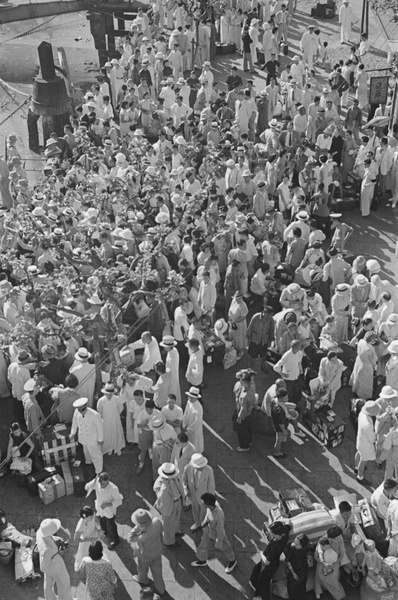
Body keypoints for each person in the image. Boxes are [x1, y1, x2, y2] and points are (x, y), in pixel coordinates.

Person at [191, 492, 237, 574]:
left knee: (226, 547)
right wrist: (205, 522)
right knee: (203, 546)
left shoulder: (218, 516)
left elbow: (220, 530)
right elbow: (208, 515)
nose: (202, 504)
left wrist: (218, 542)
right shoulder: (211, 506)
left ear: (208, 505)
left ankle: (233, 561)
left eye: (203, 503)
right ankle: (202, 561)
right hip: (209, 531)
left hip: (217, 535)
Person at [128, 509, 166, 595]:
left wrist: (138, 527)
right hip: (157, 551)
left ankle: (143, 580)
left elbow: (129, 538)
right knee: (158, 571)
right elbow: (161, 529)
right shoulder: (156, 521)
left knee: (142, 568)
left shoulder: (142, 536)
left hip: (144, 555)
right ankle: (161, 589)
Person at [36, 518, 74, 600]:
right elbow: (46, 563)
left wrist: (56, 539)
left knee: (48, 583)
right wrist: (59, 551)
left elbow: (48, 537)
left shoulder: (40, 531)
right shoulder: (48, 550)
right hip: (54, 565)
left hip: (47, 565)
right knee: (64, 582)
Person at [250, 520, 289, 599]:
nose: (269, 533)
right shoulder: (284, 536)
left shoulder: (275, 547)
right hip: (272, 562)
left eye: (271, 532)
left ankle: (261, 596)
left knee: (264, 582)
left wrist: (261, 553)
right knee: (257, 570)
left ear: (276, 534)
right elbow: (288, 524)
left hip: (269, 566)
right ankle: (253, 584)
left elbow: (267, 562)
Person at [85, 472, 123, 550]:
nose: (101, 486)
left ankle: (116, 539)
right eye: (101, 484)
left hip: (109, 511)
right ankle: (105, 532)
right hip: (99, 509)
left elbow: (119, 501)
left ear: (108, 480)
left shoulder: (114, 488)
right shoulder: (97, 482)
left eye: (104, 484)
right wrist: (88, 487)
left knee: (111, 525)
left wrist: (107, 504)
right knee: (102, 522)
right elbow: (87, 486)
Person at [153, 462, 184, 547]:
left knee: (176, 519)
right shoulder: (160, 484)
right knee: (167, 525)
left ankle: (175, 532)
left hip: (177, 502)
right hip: (168, 506)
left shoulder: (175, 477)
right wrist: (165, 487)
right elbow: (161, 497)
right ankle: (169, 542)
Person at [182, 453, 215, 531]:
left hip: (204, 496)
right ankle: (197, 523)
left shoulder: (209, 470)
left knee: (204, 511)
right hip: (192, 495)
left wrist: (211, 499)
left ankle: (204, 525)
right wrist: (185, 490)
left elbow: (211, 485)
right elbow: (184, 480)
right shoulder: (187, 468)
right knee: (195, 510)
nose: (201, 468)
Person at [71, 397, 104, 474]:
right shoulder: (76, 412)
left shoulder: (95, 415)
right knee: (86, 452)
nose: (81, 412)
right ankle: (88, 462)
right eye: (80, 410)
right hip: (83, 438)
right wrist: (73, 433)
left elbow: (100, 428)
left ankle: (99, 470)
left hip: (92, 439)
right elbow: (74, 422)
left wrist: (100, 439)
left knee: (96, 455)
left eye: (83, 409)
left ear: (86, 406)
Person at [355, 401, 381, 485]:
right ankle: (360, 477)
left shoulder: (362, 414)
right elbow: (372, 439)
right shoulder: (368, 425)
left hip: (360, 440)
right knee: (363, 461)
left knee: (359, 453)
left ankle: (356, 467)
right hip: (366, 445)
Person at [96, 382, 125, 456]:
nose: (109, 395)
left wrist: (116, 415)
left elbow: (121, 408)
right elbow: (99, 411)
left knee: (117, 432)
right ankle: (109, 448)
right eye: (107, 393)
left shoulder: (117, 399)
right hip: (106, 420)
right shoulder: (101, 400)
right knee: (107, 434)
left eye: (110, 394)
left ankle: (118, 447)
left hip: (116, 419)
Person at [351, 331, 378, 399]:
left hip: (359, 361)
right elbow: (373, 362)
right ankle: (363, 396)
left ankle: (355, 391)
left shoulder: (361, 341)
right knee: (365, 383)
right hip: (366, 366)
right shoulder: (369, 349)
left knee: (357, 377)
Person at [73, 505, 102, 571]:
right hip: (86, 541)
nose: (92, 517)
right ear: (85, 517)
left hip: (95, 536)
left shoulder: (92, 514)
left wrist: (99, 528)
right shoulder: (81, 525)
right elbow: (75, 539)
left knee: (96, 552)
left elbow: (96, 519)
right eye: (90, 517)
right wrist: (89, 540)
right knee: (84, 555)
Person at [285, 533, 310, 600]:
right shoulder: (292, 548)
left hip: (303, 571)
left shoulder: (306, 548)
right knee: (292, 589)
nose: (294, 544)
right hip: (293, 570)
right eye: (294, 542)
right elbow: (288, 561)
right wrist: (293, 573)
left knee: (301, 589)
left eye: (297, 544)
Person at [182, 386, 204, 453]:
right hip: (187, 426)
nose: (189, 398)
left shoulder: (199, 408)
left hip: (194, 430)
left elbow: (197, 422)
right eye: (189, 396)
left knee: (195, 442)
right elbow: (185, 413)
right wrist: (184, 424)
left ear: (196, 398)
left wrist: (189, 429)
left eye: (192, 397)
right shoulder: (189, 402)